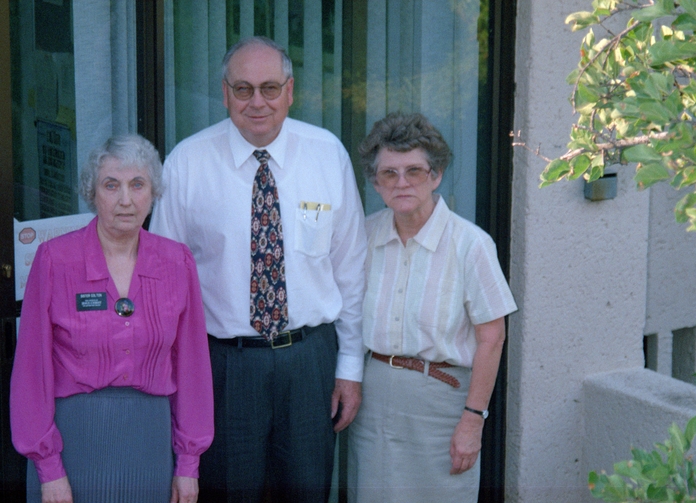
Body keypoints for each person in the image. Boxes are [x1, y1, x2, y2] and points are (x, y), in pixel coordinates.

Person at [148, 36, 367, 502]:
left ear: (290, 91)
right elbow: (164, 282)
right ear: (225, 93)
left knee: (307, 492)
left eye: (270, 88)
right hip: (225, 366)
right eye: (243, 89)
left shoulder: (328, 155)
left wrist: (349, 367)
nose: (257, 102)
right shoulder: (187, 163)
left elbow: (350, 269)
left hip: (310, 363)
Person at [10, 134, 214, 503]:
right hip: (74, 443)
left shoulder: (177, 262)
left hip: (150, 442)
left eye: (138, 184)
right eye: (111, 185)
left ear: (153, 191)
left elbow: (192, 368)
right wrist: (49, 469)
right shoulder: (56, 260)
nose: (125, 199)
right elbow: (31, 371)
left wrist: (188, 463)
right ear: (92, 192)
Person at [347, 112, 518, 502]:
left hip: (442, 403)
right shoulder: (364, 235)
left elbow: (492, 338)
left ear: (436, 175)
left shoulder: (470, 245)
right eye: (389, 173)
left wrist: (473, 421)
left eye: (414, 171)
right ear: (375, 182)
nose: (402, 182)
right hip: (372, 399)